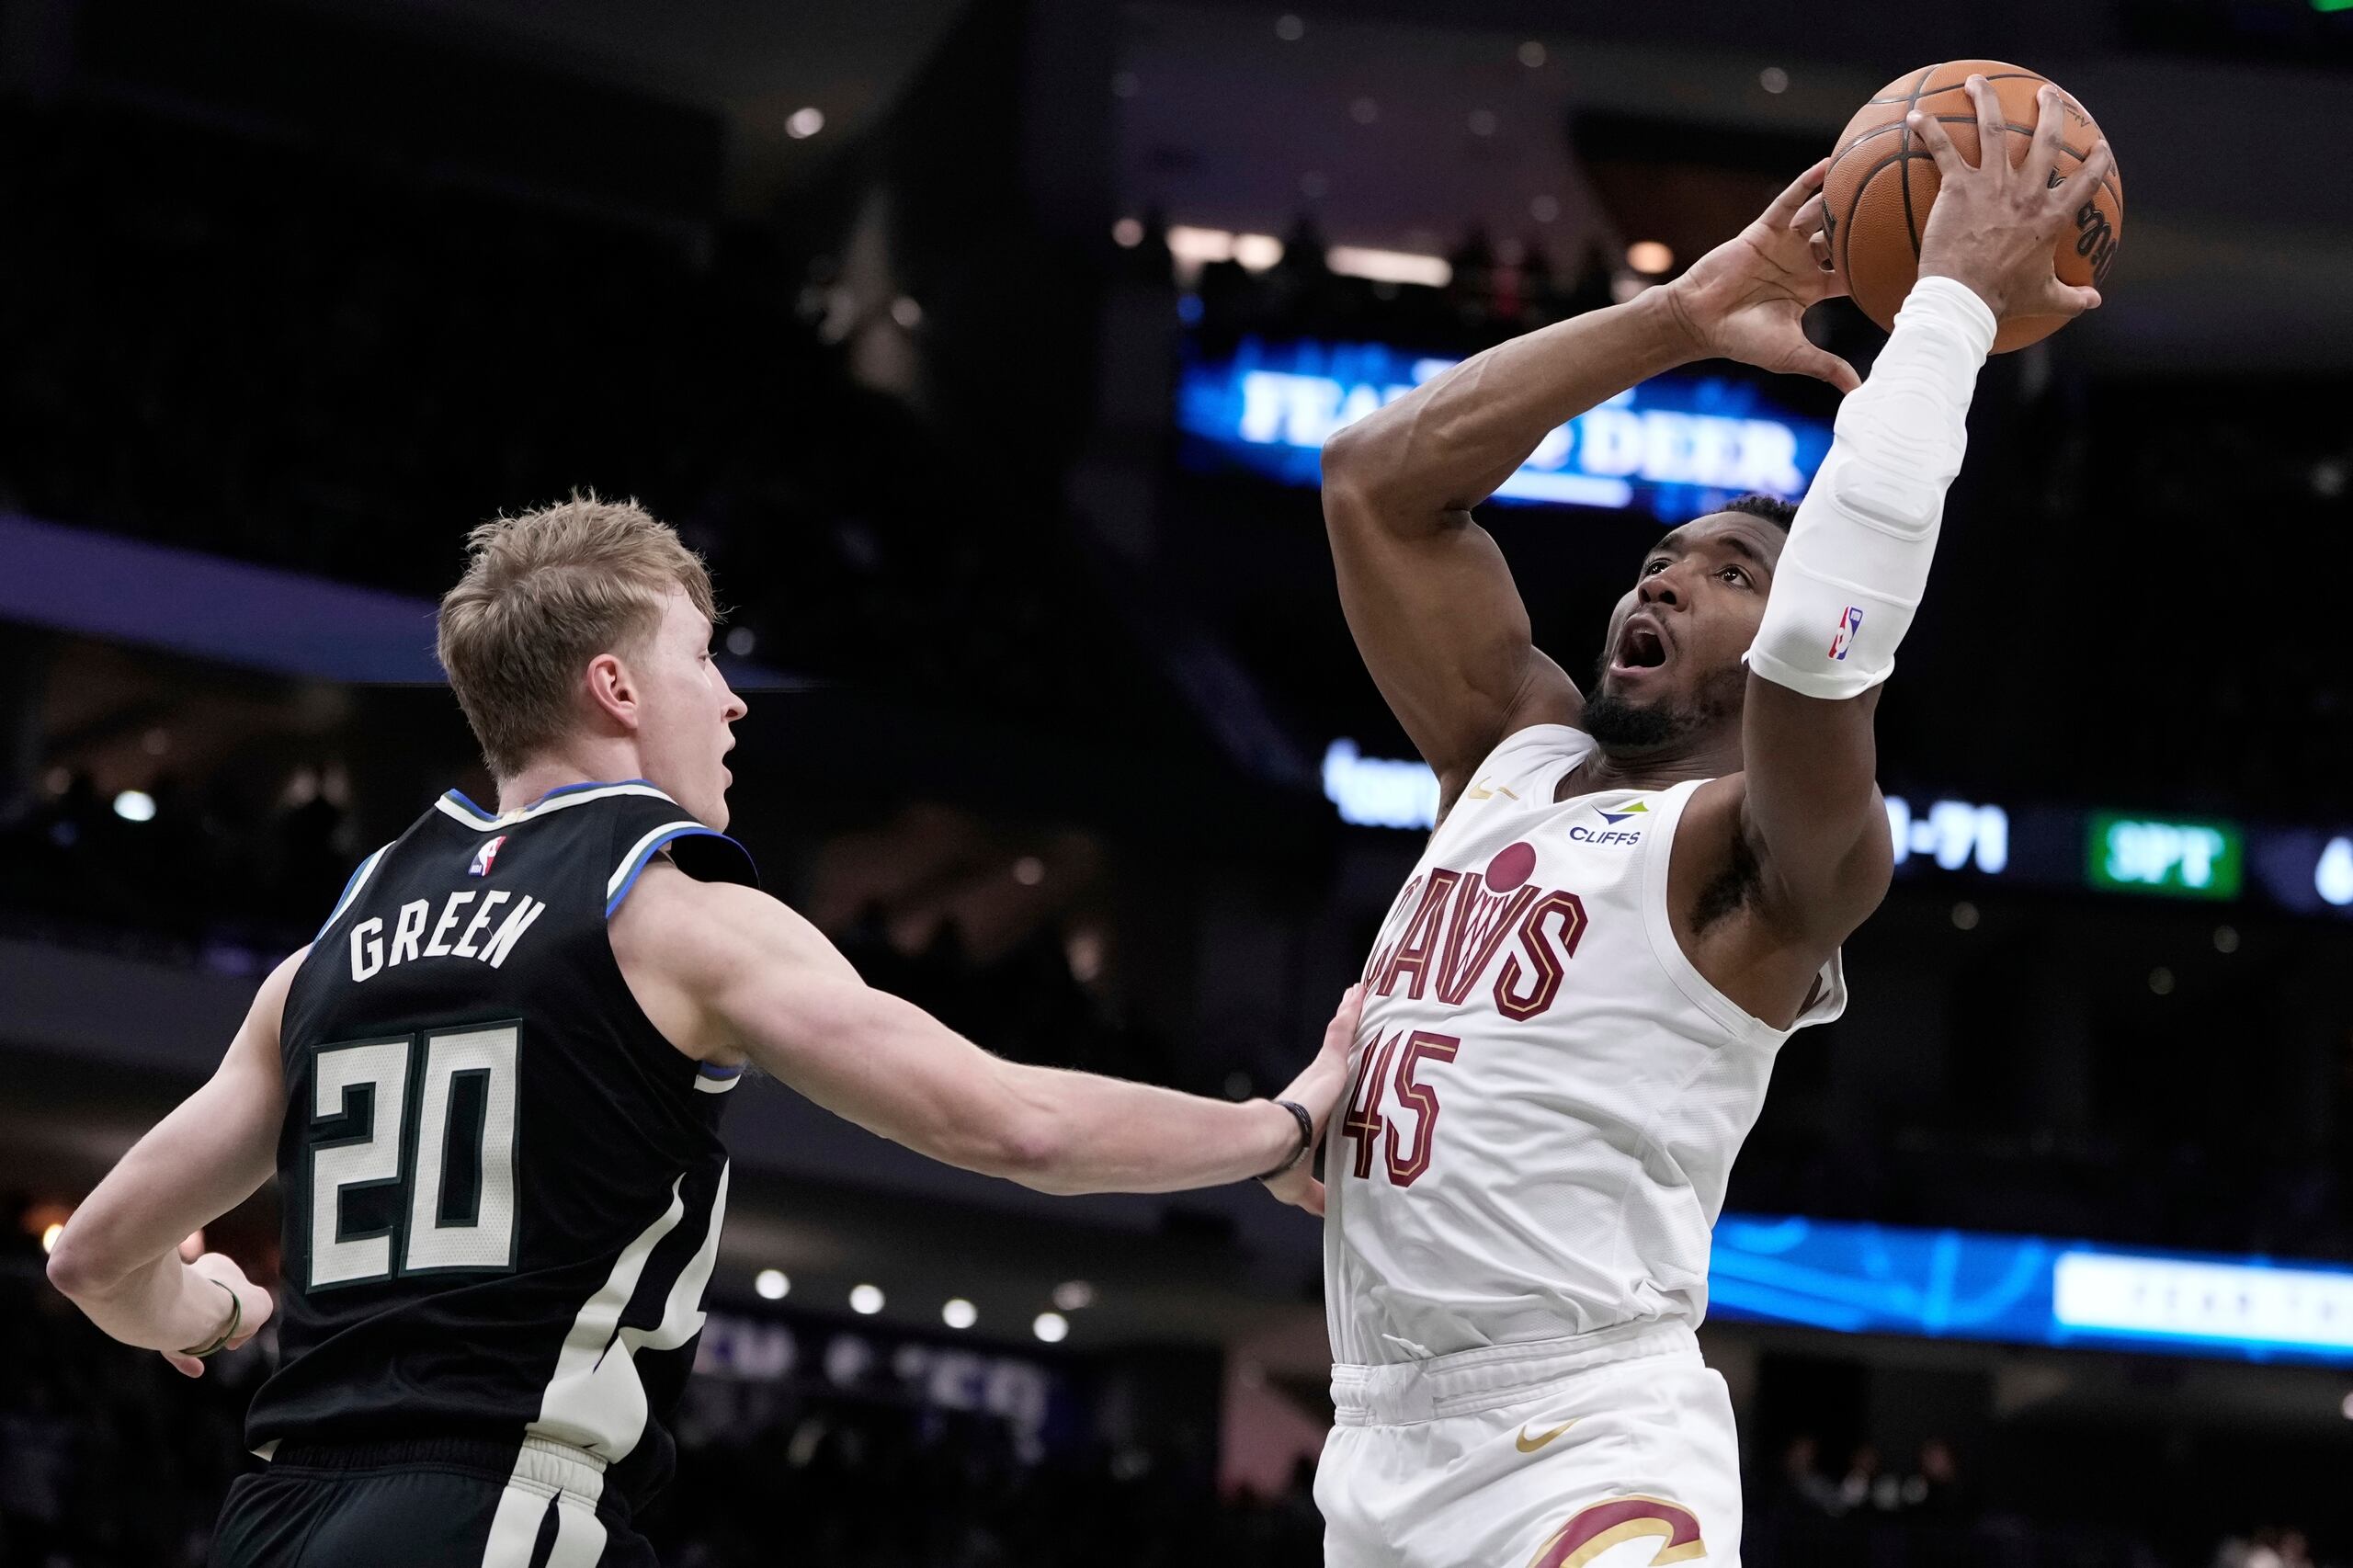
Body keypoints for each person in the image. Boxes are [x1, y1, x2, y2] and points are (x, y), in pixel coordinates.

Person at [44, 494, 1362, 1567]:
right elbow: (1010, 1120)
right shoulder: (664, 910)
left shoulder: (324, 953)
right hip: (495, 1506)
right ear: (615, 684)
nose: (732, 701)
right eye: (703, 660)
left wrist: (216, 1312)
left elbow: (97, 1256)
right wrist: (1278, 1126)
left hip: (272, 1521)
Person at [1313, 78, 2111, 1566]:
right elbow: (1377, 486)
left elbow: (1827, 647)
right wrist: (1683, 313)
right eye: (1659, 557)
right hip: (1375, 1436)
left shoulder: (1774, 867)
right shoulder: (1508, 753)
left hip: (1587, 1439)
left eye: (1727, 570)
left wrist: (1941, 313)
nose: (1661, 578)